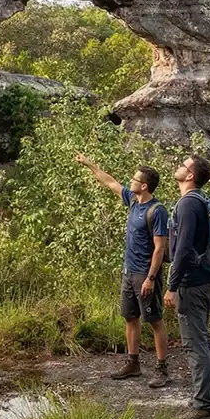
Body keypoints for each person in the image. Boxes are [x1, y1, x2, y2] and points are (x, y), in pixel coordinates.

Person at [75, 154, 172, 388]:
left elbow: (160, 248)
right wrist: (90, 164)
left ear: (144, 185)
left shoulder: (157, 211)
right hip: (128, 272)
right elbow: (109, 182)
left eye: (135, 179)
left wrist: (150, 278)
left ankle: (162, 369)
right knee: (130, 317)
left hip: (145, 274)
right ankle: (133, 363)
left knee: (155, 320)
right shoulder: (132, 200)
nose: (131, 181)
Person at [165, 155, 210, 419]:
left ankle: (202, 405)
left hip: (191, 283)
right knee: (204, 339)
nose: (179, 165)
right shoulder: (201, 200)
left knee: (195, 343)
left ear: (190, 176)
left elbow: (183, 250)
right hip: (204, 280)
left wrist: (171, 285)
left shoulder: (188, 204)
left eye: (183, 165)